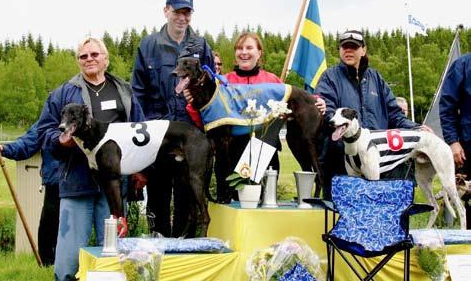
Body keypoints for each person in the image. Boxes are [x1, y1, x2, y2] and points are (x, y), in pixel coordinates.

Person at [37, 37, 144, 280]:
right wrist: (59, 140)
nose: (90, 60)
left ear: (105, 59)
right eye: (83, 56)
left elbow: (140, 128)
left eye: (95, 54)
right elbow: (44, 130)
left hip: (115, 185)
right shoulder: (63, 93)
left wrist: (140, 169)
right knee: (68, 259)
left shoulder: (123, 90)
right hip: (77, 182)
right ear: (78, 61)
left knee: (114, 254)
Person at [185, 32, 325, 202]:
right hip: (232, 157)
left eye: (249, 48)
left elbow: (298, 100)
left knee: (265, 206)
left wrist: (317, 102)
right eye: (239, 48)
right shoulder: (222, 83)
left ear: (259, 53)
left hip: (266, 155)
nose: (243, 52)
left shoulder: (272, 81)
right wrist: (194, 104)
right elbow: (208, 121)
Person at [131, 0, 214, 237]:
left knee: (188, 195)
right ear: (166, 11)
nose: (182, 17)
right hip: (158, 133)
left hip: (191, 134)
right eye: (177, 11)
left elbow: (213, 89)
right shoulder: (148, 45)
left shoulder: (201, 45)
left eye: (187, 12)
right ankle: (157, 250)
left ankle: (183, 251)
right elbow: (138, 93)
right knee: (157, 195)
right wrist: (143, 132)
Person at [315, 30, 426, 199]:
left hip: (378, 161)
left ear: (363, 50)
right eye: (345, 47)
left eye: (354, 47)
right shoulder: (329, 78)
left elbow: (395, 114)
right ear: (339, 50)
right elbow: (327, 115)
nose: (348, 51)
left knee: (377, 213)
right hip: (340, 162)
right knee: (342, 217)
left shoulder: (376, 79)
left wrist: (417, 128)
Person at [0, 121, 59, 266]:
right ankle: (47, 267)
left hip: (86, 186)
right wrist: (5, 149)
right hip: (55, 183)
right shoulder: (49, 119)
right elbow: (27, 143)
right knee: (48, 228)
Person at [439, 53, 471, 229]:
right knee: (466, 201)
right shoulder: (462, 65)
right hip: (467, 147)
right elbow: (447, 105)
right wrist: (452, 141)